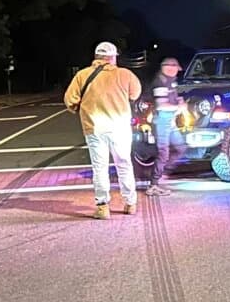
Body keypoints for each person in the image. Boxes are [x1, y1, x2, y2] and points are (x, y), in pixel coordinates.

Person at [64, 42, 142, 219]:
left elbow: (70, 100)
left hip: (95, 126)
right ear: (113, 57)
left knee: (99, 167)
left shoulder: (82, 75)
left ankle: (102, 207)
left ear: (96, 57)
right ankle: (130, 203)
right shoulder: (125, 74)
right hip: (120, 126)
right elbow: (135, 94)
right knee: (124, 164)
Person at [148, 57, 184, 196]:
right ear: (168, 67)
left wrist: (178, 100)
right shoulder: (160, 82)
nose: (176, 72)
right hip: (162, 122)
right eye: (175, 69)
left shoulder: (171, 81)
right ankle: (154, 184)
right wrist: (178, 106)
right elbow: (161, 105)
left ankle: (162, 173)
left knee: (180, 147)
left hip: (170, 121)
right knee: (163, 153)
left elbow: (173, 96)